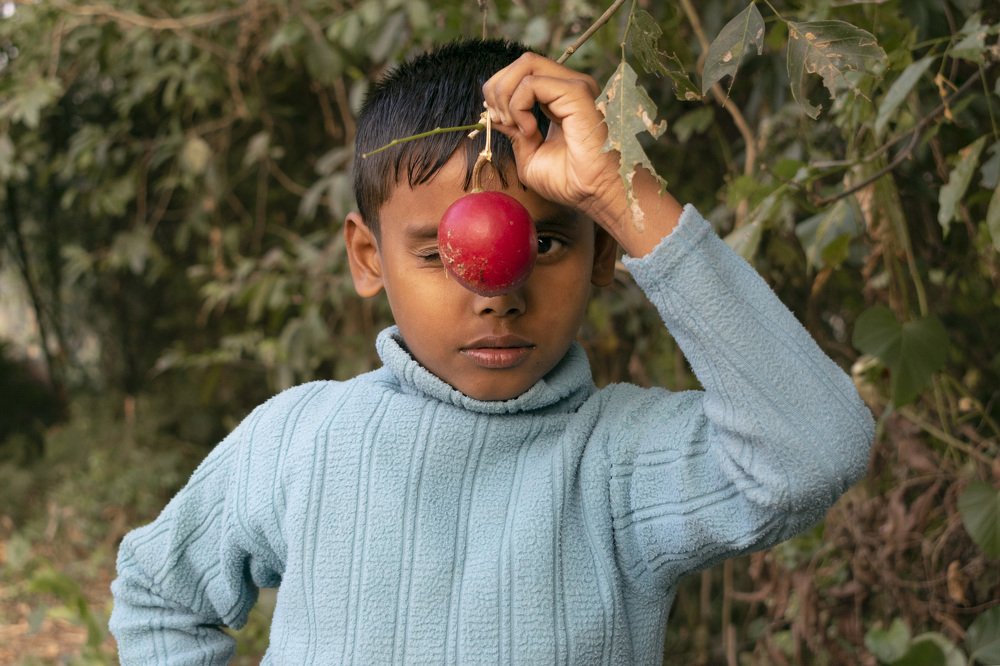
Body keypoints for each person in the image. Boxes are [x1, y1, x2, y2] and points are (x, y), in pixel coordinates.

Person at [109, 38, 875, 665]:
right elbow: (159, 592)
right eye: (437, 254)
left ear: (604, 255)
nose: (497, 293)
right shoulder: (299, 440)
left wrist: (620, 191)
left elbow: (817, 449)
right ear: (369, 258)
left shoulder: (619, 463)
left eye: (547, 243)